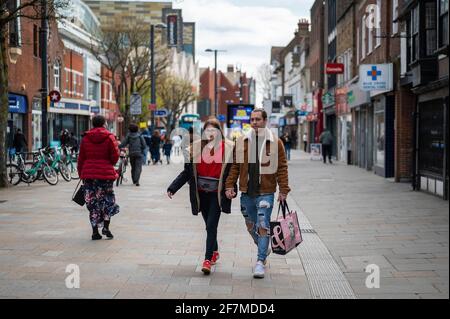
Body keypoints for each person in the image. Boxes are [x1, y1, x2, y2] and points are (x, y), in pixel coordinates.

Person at [225, 108, 290, 279]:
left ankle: (260, 261)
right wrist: (229, 184)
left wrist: (284, 189)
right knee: (249, 224)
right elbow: (235, 166)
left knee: (263, 225)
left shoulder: (276, 143)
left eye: (258, 119)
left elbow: (282, 168)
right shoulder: (242, 142)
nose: (254, 122)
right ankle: (263, 243)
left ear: (265, 121)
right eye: (252, 119)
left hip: (266, 192)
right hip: (247, 191)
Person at [167, 118, 236, 275]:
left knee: (211, 225)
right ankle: (215, 250)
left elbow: (232, 172)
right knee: (208, 225)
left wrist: (232, 188)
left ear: (219, 132)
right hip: (200, 194)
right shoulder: (195, 149)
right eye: (208, 130)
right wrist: (173, 187)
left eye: (214, 130)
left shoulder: (229, 148)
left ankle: (207, 259)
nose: (211, 133)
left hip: (217, 195)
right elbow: (187, 172)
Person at [77, 115, 120, 240]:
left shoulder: (86, 138)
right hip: (105, 175)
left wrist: (81, 173)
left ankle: (95, 232)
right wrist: (109, 164)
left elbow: (81, 158)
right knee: (107, 200)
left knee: (93, 203)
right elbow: (115, 156)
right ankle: (106, 227)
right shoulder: (109, 137)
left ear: (92, 124)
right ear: (104, 123)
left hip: (89, 175)